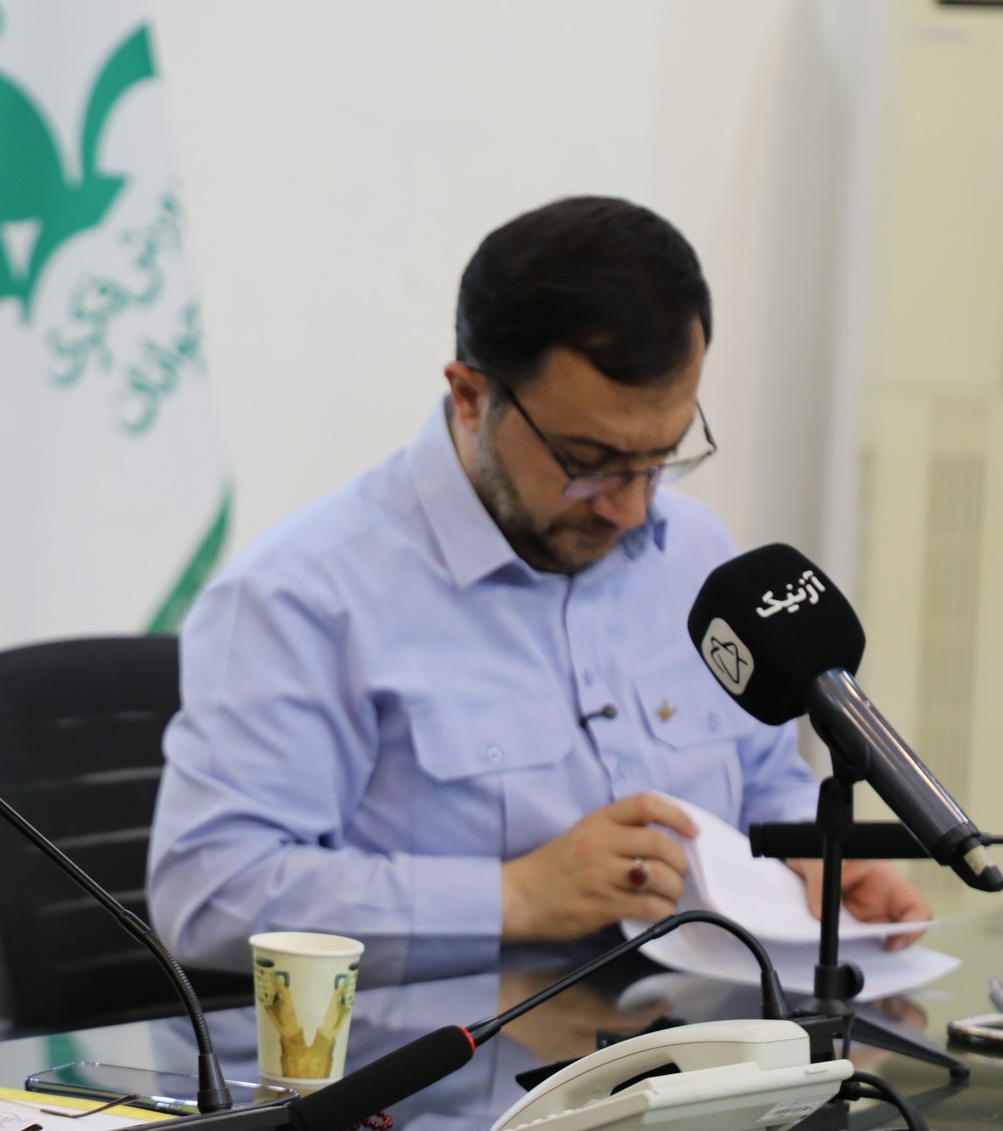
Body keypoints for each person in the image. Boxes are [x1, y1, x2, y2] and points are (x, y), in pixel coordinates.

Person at [146, 196, 928, 983]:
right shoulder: (301, 597)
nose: (631, 510)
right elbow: (209, 896)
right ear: (469, 396)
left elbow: (764, 779)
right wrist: (512, 896)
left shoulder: (696, 553)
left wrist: (810, 855)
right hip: (449, 1051)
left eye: (661, 458)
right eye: (587, 464)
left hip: (695, 1029)